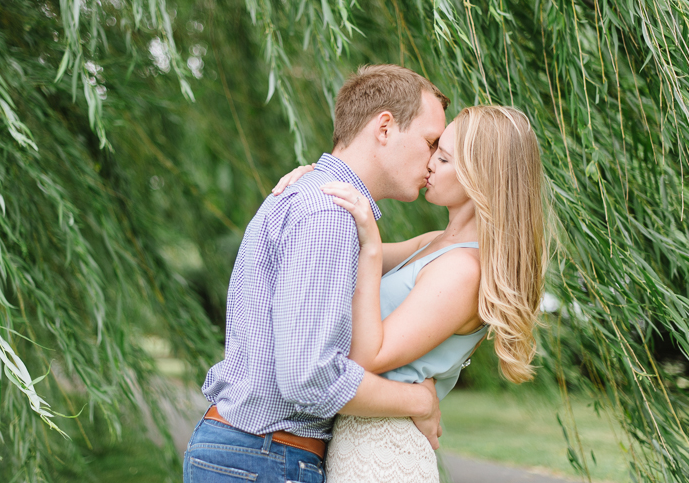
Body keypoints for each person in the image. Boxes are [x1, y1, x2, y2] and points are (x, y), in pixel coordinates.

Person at [183, 65, 451, 483]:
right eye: (431, 141)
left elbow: (426, 250)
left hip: (253, 453)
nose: (434, 159)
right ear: (384, 128)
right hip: (267, 456)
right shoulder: (328, 214)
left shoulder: (316, 198)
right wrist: (417, 400)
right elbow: (308, 378)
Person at [274, 105, 547, 482]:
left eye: (444, 157)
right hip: (357, 441)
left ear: (479, 177)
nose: (430, 162)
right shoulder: (434, 244)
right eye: (435, 148)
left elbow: (370, 356)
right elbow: (335, 251)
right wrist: (313, 187)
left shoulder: (463, 271)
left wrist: (372, 247)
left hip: (383, 454)